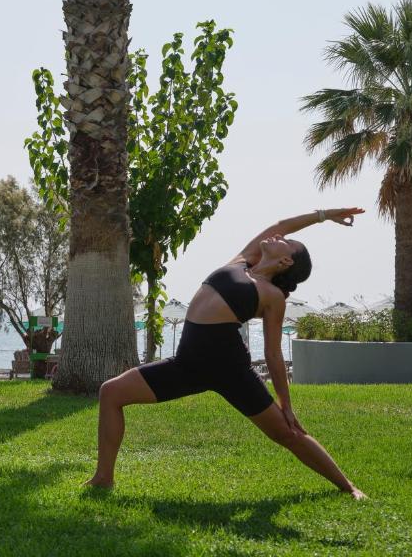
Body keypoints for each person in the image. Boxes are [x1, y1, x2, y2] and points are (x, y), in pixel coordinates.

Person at [85, 207, 368, 500]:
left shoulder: (271, 296)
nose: (277, 236)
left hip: (230, 368)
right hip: (188, 364)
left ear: (285, 261)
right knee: (111, 392)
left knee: (287, 434)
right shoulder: (243, 260)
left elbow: (272, 353)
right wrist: (325, 215)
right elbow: (283, 223)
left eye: (287, 242)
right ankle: (103, 478)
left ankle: (348, 487)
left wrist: (286, 404)